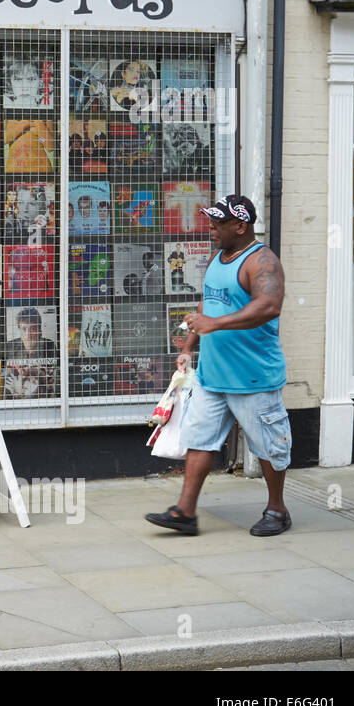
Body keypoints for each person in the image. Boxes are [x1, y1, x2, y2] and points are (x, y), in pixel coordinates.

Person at [146, 194, 294, 538]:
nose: (210, 228)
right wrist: (188, 345)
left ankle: (277, 509)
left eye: (218, 222)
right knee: (200, 440)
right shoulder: (218, 258)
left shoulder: (262, 261)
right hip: (212, 376)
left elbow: (269, 305)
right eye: (210, 220)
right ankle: (185, 512)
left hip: (252, 377)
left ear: (240, 226)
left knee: (269, 446)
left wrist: (217, 323)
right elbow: (207, 305)